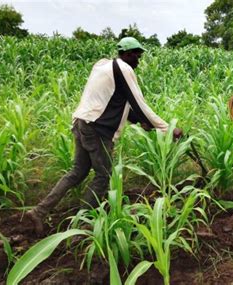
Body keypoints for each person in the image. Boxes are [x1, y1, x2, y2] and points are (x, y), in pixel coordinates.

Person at [26, 37, 182, 234]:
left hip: (83, 123)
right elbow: (138, 103)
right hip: (98, 130)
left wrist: (140, 121)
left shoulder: (103, 66)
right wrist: (167, 128)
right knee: (103, 175)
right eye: (136, 55)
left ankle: (39, 211)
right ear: (127, 54)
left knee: (78, 171)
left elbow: (117, 102)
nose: (138, 60)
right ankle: (80, 225)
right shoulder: (124, 69)